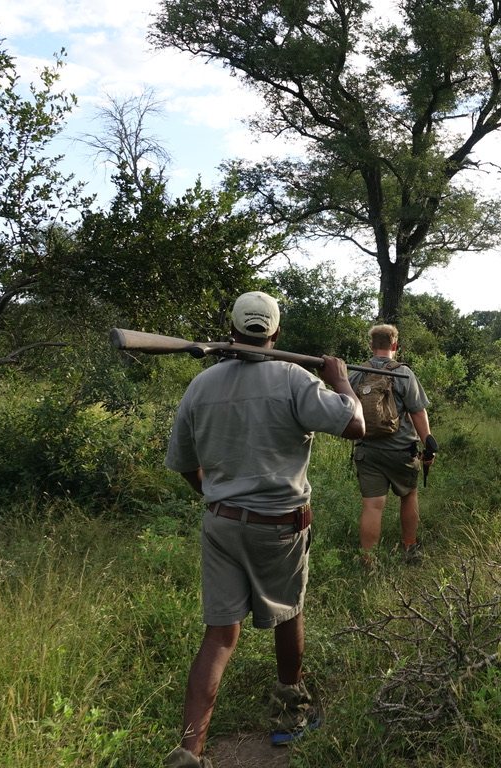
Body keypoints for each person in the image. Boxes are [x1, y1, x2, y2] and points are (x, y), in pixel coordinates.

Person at [162, 291, 365, 768]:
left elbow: (185, 464)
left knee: (219, 635)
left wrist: (214, 495)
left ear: (232, 331)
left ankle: (190, 752)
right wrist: (340, 380)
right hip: (280, 526)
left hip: (221, 523)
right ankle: (290, 716)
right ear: (275, 333)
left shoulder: (201, 386)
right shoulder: (295, 379)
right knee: (288, 614)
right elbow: (355, 424)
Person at [348, 323, 434, 568]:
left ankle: (369, 562)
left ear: (371, 346)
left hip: (367, 451)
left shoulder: (356, 374)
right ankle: (409, 549)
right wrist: (428, 444)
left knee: (372, 506)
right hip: (401, 451)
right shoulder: (403, 373)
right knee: (409, 495)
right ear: (395, 345)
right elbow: (418, 412)